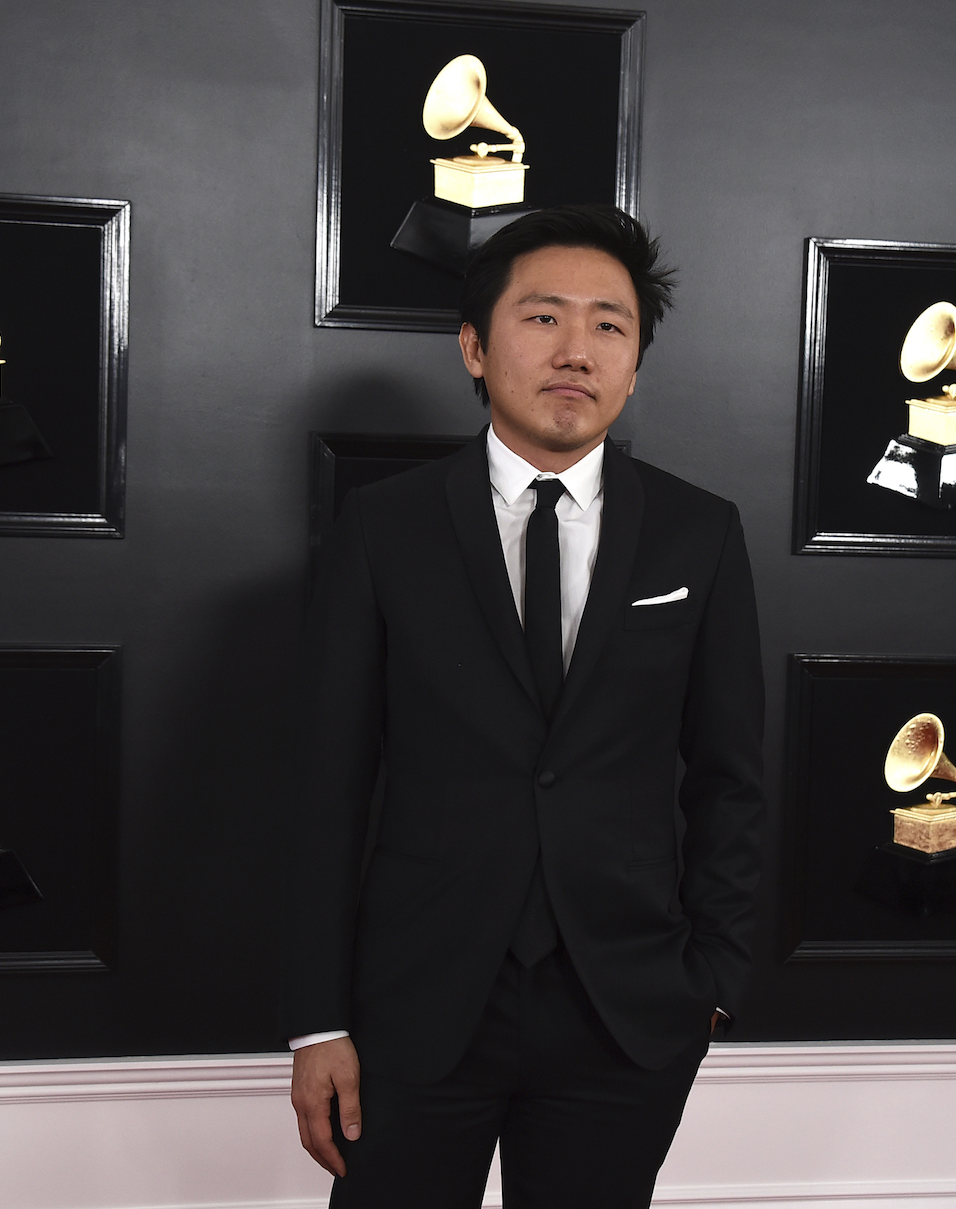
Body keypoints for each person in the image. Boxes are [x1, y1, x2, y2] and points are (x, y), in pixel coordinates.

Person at [284, 204, 764, 1208]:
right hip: (417, 1005)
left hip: (624, 1010)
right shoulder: (383, 529)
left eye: (610, 325)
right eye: (544, 318)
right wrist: (317, 1019)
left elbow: (730, 779)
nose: (577, 351)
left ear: (635, 363)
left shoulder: (699, 534)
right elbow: (325, 787)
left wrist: (712, 980)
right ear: (474, 344)